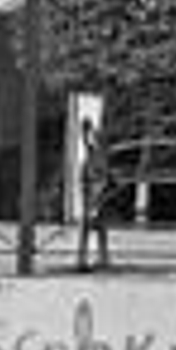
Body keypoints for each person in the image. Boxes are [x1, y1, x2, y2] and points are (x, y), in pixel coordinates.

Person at [76, 117, 112, 273]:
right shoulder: (96, 154)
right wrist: (85, 130)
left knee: (94, 227)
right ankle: (92, 258)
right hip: (94, 195)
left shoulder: (98, 156)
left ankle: (92, 258)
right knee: (95, 227)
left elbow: (101, 177)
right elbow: (86, 141)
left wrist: (96, 195)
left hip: (94, 195)